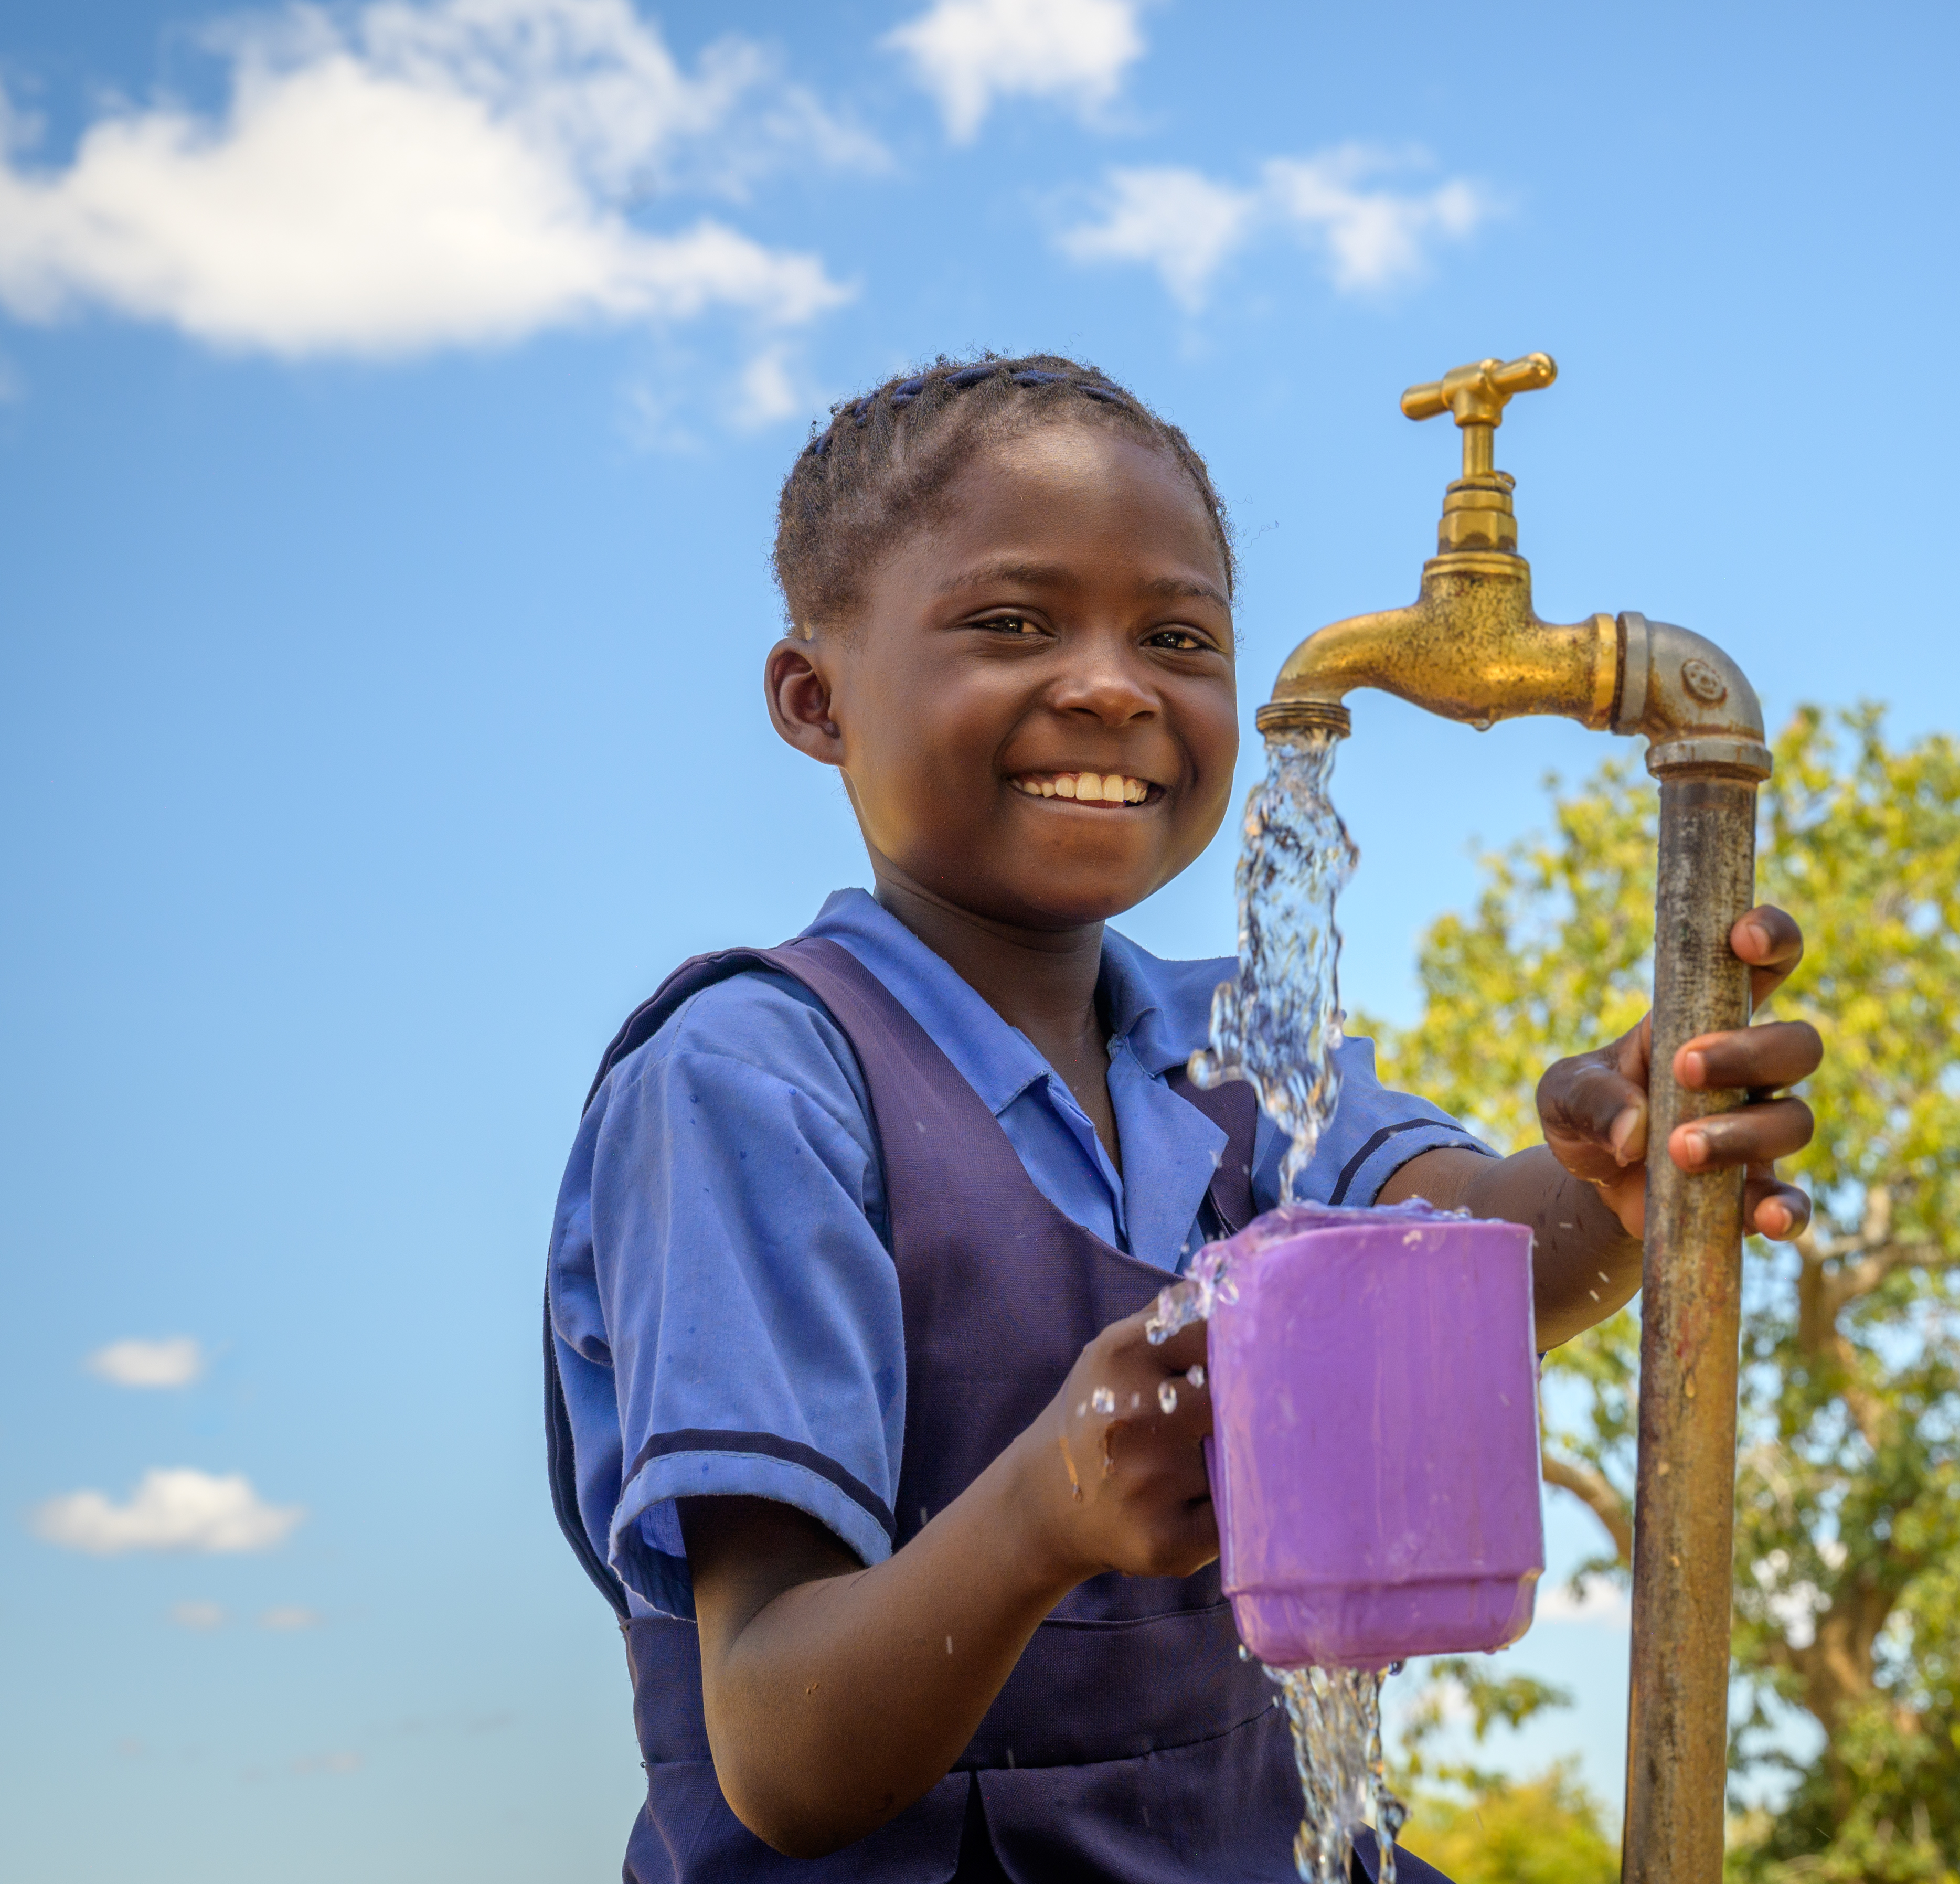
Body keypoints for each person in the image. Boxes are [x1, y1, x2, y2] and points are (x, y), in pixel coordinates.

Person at [543, 354, 1823, 1884]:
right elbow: (779, 1749)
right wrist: (1045, 1511)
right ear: (815, 699)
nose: (1110, 684)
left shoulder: (1241, 1046)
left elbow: (1471, 1253)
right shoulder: (757, 1084)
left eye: (1177, 637)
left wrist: (1621, 1173)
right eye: (1011, 623)